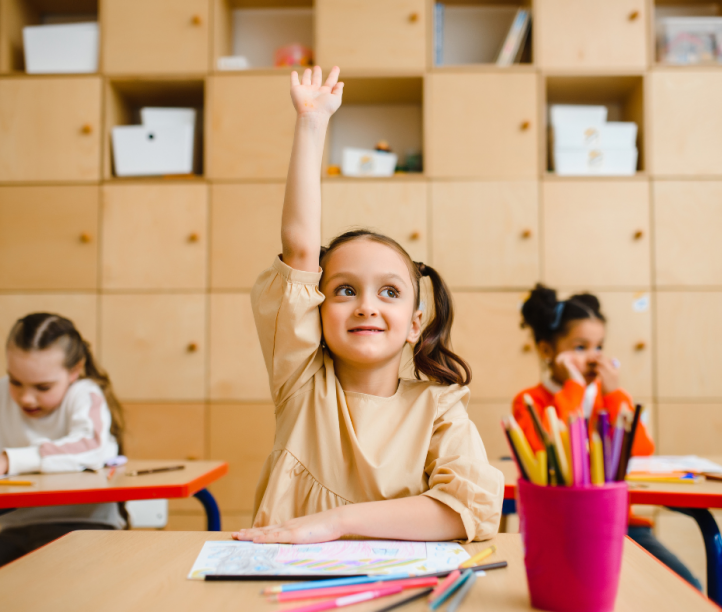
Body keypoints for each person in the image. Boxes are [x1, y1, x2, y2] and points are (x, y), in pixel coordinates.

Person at [233, 66, 503, 545]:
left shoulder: (439, 408)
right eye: (344, 290)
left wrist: (337, 523)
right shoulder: (301, 381)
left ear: (415, 323)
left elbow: (467, 511)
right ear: (315, 308)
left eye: (390, 292)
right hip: (290, 585)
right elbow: (299, 249)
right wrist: (311, 124)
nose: (366, 307)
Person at [513, 284, 702, 590]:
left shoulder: (608, 397)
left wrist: (615, 395)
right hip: (562, 528)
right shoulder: (530, 401)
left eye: (599, 346)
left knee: (688, 585)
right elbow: (542, 449)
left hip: (619, 525)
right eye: (580, 347)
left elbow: (640, 453)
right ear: (547, 350)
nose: (593, 357)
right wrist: (573, 389)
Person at [0, 313, 125, 570]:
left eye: (43, 387)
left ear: (74, 371)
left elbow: (91, 446)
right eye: (16, 382)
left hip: (86, 528)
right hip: (17, 529)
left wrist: (8, 461)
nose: (26, 399)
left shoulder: (85, 395)